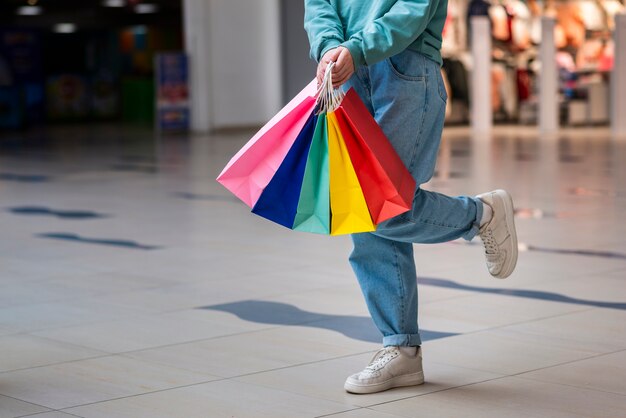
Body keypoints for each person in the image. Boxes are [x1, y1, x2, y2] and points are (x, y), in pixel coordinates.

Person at [304, 0, 518, 394]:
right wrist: (329, 45)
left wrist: (356, 48)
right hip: (345, 76)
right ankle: (400, 348)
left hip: (403, 67)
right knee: (363, 216)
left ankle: (479, 215)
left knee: (385, 210)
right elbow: (318, 5)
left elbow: (416, 7)